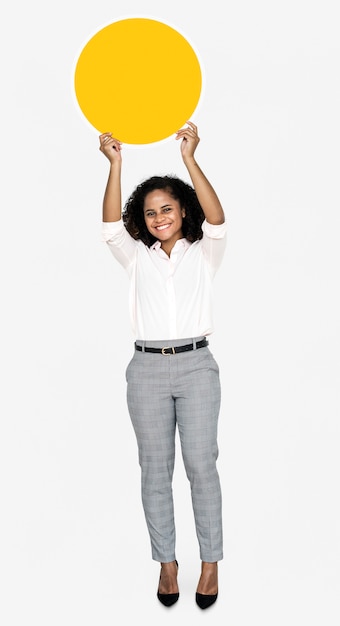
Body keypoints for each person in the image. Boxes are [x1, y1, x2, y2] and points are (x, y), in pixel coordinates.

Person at [99, 121, 227, 609]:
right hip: (147, 369)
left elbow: (217, 219)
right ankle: (168, 564)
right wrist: (116, 164)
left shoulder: (205, 253)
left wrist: (190, 159)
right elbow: (111, 228)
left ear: (182, 210)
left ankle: (210, 563)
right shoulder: (137, 259)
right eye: (150, 212)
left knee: (201, 465)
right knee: (154, 469)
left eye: (167, 208)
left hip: (197, 366)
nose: (158, 217)